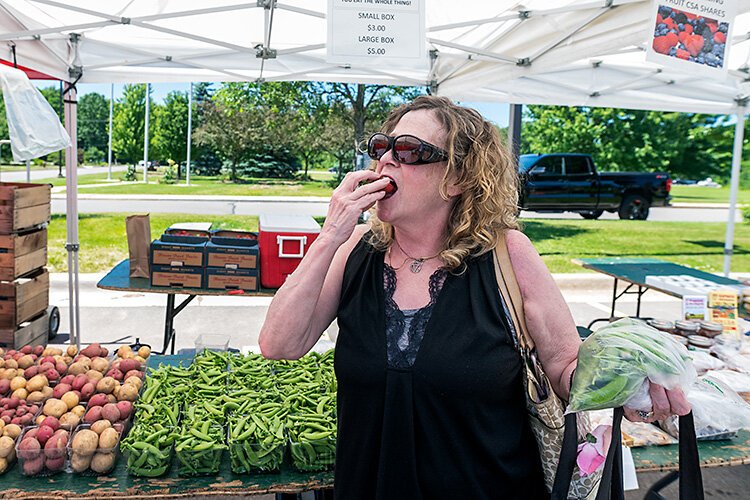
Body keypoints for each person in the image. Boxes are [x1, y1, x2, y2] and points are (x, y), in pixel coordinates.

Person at [259, 96, 691, 499]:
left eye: (409, 150)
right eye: (381, 146)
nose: (387, 158)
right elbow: (279, 344)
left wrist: (631, 379)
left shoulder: (508, 253)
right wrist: (329, 236)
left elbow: (564, 367)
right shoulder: (354, 247)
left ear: (460, 179)